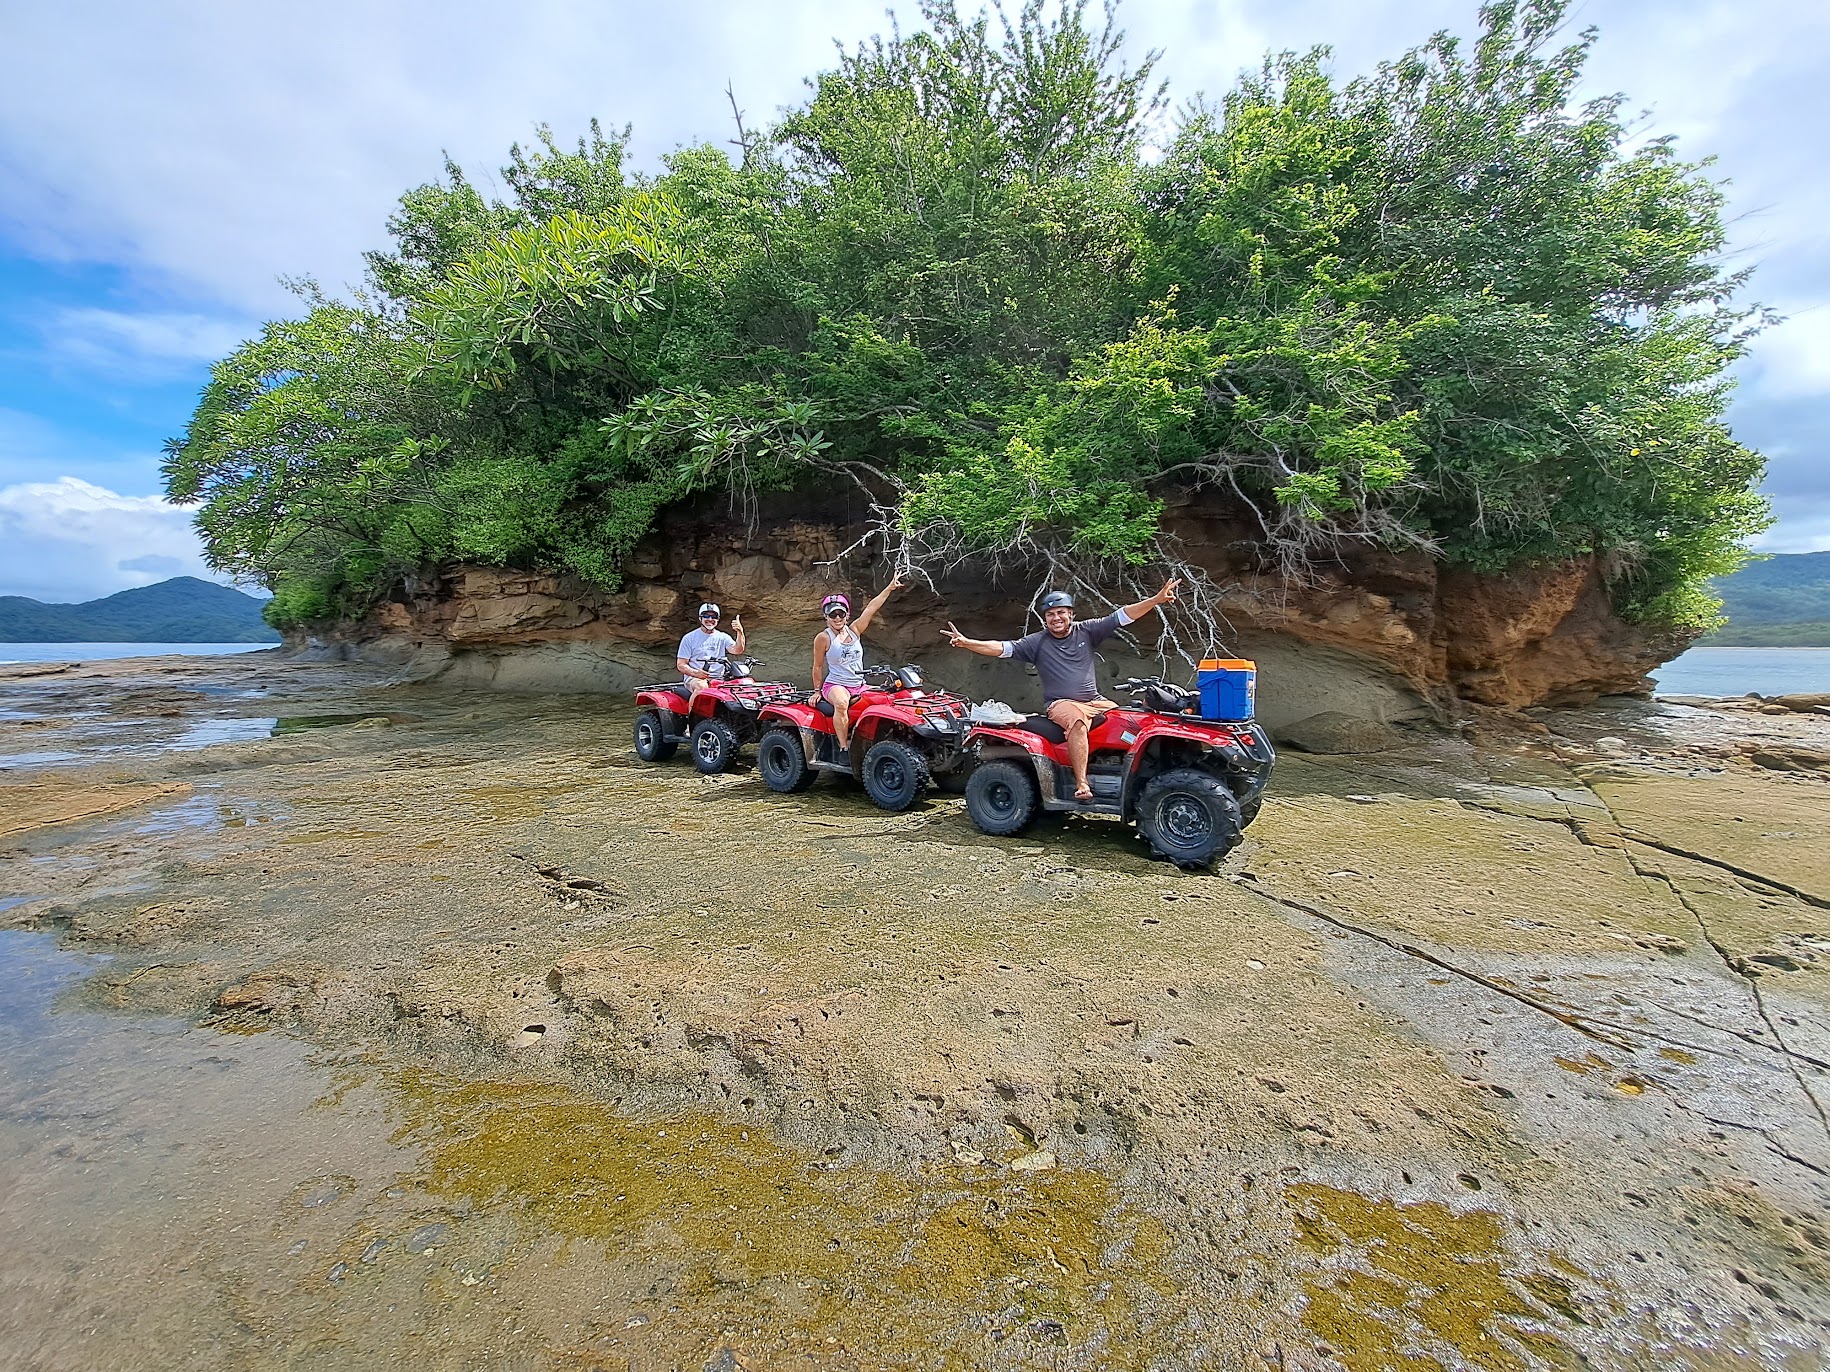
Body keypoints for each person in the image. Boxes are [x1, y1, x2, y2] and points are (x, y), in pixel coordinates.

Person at [944, 578, 1181, 801]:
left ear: (1071, 614)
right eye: (1050, 614)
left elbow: (1123, 616)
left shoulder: (1087, 630)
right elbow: (1001, 648)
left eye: (1060, 612)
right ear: (1045, 619)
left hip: (1095, 701)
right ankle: (1082, 784)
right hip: (1061, 704)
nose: (1056, 617)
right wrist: (967, 643)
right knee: (1077, 722)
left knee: (1132, 718)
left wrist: (1156, 599)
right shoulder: (1037, 642)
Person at [812, 576, 905, 761]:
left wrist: (889, 588)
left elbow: (871, 608)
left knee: (888, 697)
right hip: (836, 684)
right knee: (841, 703)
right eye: (833, 614)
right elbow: (817, 666)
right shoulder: (823, 638)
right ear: (826, 616)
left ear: (847, 614)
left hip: (859, 684)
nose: (837, 618)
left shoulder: (855, 630)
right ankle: (844, 748)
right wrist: (816, 691)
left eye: (841, 614)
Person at [676, 602, 746, 697]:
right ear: (700, 618)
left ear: (718, 619)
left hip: (719, 678)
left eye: (714, 616)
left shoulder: (722, 637)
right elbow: (681, 664)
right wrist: (696, 673)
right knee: (702, 687)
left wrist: (740, 632)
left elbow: (737, 650)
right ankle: (692, 712)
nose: (710, 619)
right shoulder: (689, 638)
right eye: (706, 616)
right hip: (695, 678)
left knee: (742, 687)